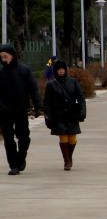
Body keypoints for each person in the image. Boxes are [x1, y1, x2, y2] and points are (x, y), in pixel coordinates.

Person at [0, 44, 42, 175]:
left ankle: (21, 156)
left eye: (5, 56)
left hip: (21, 109)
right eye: (1, 57)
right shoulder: (0, 72)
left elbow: (33, 89)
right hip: (4, 111)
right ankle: (13, 165)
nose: (3, 59)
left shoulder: (24, 70)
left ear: (12, 55)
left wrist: (37, 106)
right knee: (8, 139)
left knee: (24, 137)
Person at [43, 60, 86, 170]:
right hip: (58, 115)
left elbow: (80, 97)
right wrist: (47, 116)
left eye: (63, 69)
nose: (61, 71)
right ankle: (67, 161)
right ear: (55, 71)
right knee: (63, 137)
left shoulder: (73, 82)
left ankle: (69, 157)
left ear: (66, 70)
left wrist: (82, 111)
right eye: (58, 70)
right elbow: (47, 102)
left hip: (72, 114)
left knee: (72, 138)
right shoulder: (51, 85)